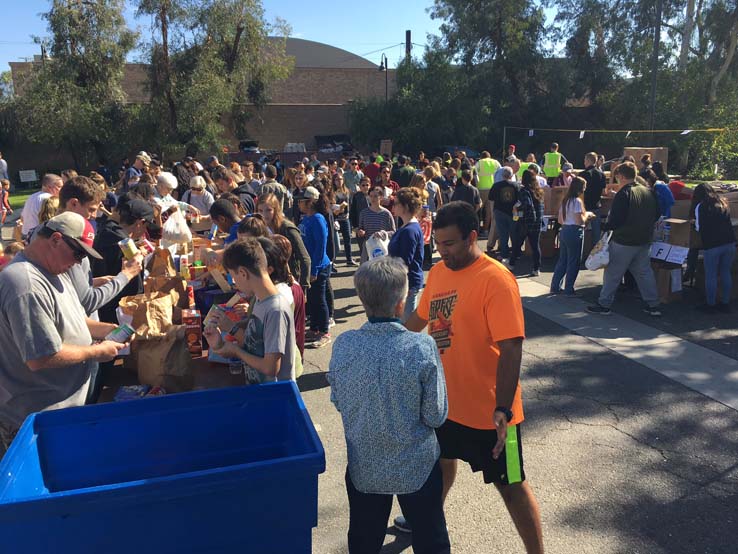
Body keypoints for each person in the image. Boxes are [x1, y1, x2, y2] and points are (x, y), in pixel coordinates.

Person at [399, 202, 544, 553]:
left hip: (492, 414)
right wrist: (384, 346)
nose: (442, 251)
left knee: (512, 485)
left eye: (449, 244)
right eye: (438, 244)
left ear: (472, 237)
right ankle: (430, 517)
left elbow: (512, 348)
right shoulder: (438, 273)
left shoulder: (495, 279)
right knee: (441, 464)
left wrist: (503, 409)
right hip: (445, 404)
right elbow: (418, 320)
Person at [328, 256, 450, 554]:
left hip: (364, 465)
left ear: (362, 298)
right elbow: (436, 415)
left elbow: (338, 401)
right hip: (416, 466)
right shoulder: (421, 347)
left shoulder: (344, 345)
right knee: (431, 537)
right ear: (401, 302)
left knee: (363, 538)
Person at [0, 212, 126, 457]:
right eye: (78, 253)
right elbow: (41, 357)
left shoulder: (54, 270)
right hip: (35, 422)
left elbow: (73, 320)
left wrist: (106, 329)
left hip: (60, 411)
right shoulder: (26, 284)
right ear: (56, 239)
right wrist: (95, 351)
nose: (79, 262)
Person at [204, 238, 296, 384]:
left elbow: (270, 367)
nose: (234, 282)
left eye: (233, 276)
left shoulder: (275, 310)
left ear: (243, 273)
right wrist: (220, 344)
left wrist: (235, 351)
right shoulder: (260, 300)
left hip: (275, 397)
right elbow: (255, 345)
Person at [587, 162, 662, 316]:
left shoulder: (624, 193)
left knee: (613, 273)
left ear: (621, 176)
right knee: (644, 273)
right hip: (644, 239)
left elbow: (617, 219)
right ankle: (653, 304)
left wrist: (604, 227)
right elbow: (657, 214)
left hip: (624, 240)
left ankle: (604, 303)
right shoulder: (649, 192)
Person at [92, 197, 157, 324]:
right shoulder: (127, 245)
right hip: (119, 311)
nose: (145, 231)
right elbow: (135, 287)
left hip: (101, 303)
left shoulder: (106, 231)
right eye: (146, 226)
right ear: (140, 223)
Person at [296, 186, 332, 348]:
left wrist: (314, 269)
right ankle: (315, 328)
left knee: (319, 299)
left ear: (310, 202)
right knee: (313, 299)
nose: (298, 204)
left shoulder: (318, 218)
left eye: (301, 201)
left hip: (319, 266)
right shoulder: (306, 218)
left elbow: (320, 246)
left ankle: (324, 331)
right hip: (309, 266)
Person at [692, 184, 735, 313]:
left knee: (711, 275)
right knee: (725, 272)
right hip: (729, 242)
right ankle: (725, 302)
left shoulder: (701, 206)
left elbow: (699, 227)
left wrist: (694, 223)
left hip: (712, 245)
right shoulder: (723, 202)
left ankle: (710, 304)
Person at [384, 188, 424, 322]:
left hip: (407, 283)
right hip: (403, 282)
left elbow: (404, 261)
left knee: (406, 325)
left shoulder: (410, 230)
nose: (393, 206)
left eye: (396, 203)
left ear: (405, 207)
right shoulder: (406, 227)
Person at [550, 177, 595, 295]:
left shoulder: (565, 200)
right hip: (574, 231)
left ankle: (555, 285)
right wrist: (587, 215)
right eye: (584, 187)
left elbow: (560, 219)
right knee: (573, 261)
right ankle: (569, 288)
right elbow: (579, 221)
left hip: (564, 229)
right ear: (580, 188)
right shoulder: (577, 202)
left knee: (563, 260)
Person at [258, 192, 311, 291]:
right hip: (271, 280)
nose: (264, 215)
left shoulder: (287, 228)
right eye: (260, 210)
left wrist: (303, 286)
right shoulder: (260, 228)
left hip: (290, 279)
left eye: (268, 210)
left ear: (276, 210)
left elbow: (305, 258)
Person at [510, 170, 545, 275]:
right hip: (537, 222)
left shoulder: (524, 191)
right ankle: (536, 269)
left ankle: (511, 264)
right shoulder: (538, 191)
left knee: (517, 244)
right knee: (535, 246)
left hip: (526, 222)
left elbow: (526, 205)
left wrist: (517, 209)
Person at [358, 186, 396, 263]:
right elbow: (360, 228)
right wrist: (360, 232)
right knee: (366, 271)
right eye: (371, 196)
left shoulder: (386, 213)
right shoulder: (364, 213)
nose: (373, 199)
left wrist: (382, 234)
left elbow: (393, 232)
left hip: (382, 247)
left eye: (375, 196)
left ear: (381, 197)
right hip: (368, 246)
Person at [489, 167, 521, 261]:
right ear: (512, 175)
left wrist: (492, 212)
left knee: (503, 234)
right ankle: (516, 253)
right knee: (514, 233)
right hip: (513, 213)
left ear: (502, 175)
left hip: (499, 212)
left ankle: (504, 254)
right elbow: (520, 200)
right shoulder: (516, 186)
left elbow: (491, 199)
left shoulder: (496, 185)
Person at [20, 173, 63, 239]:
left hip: (26, 234)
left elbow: (22, 217)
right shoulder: (50, 199)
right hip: (38, 236)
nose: (61, 190)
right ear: (49, 186)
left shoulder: (32, 196)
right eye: (59, 187)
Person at [580, 152, 607, 244]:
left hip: (584, 206)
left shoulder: (583, 174)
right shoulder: (601, 174)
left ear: (587, 161)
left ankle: (582, 253)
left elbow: (579, 193)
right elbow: (604, 192)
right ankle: (595, 254)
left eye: (584, 160)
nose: (584, 162)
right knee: (596, 233)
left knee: (581, 231)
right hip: (596, 205)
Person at [332, 173, 356, 266]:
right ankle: (332, 261)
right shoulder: (332, 192)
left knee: (347, 239)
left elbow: (350, 204)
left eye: (341, 179)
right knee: (335, 242)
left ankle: (349, 259)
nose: (339, 181)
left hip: (345, 218)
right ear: (334, 181)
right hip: (336, 218)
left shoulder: (346, 191)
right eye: (337, 179)